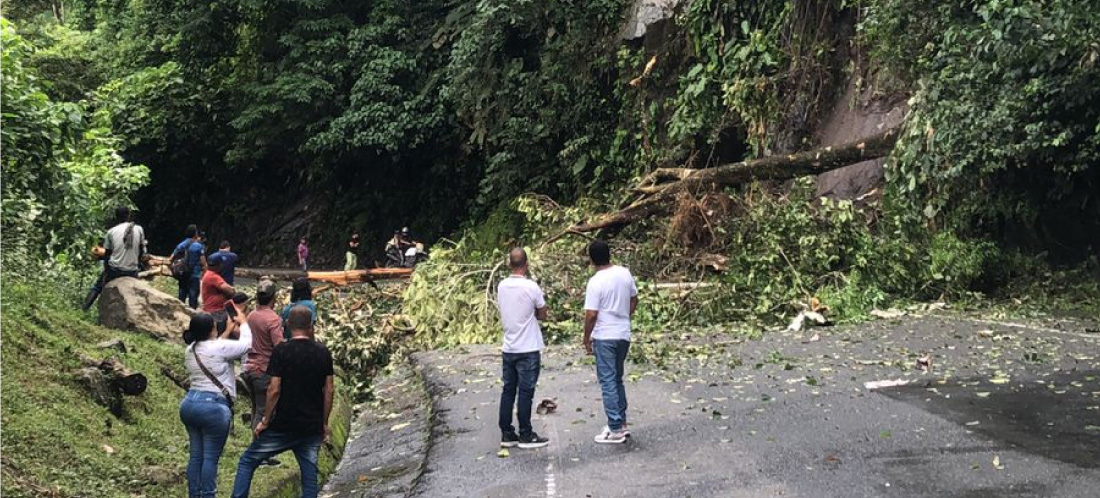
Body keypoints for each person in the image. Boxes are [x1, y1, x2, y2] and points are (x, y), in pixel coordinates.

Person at [230, 306, 335, 498]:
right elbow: (329, 389)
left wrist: (266, 420)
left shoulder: (281, 351)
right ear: (311, 325)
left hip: (284, 424)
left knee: (248, 461)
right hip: (311, 425)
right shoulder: (322, 352)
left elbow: (274, 389)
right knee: (309, 474)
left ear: (287, 325)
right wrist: (324, 423)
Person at [179, 306, 251, 498]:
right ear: (212, 329)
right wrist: (243, 323)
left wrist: (226, 330)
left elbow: (215, 347)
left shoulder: (190, 349)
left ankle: (194, 494)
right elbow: (246, 344)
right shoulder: (218, 347)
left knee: (196, 456)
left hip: (189, 404)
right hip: (212, 408)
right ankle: (208, 495)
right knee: (210, 458)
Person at [582, 240, 638, 444]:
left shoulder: (595, 282)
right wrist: (626, 315)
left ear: (591, 259)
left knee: (607, 381)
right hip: (623, 333)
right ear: (609, 254)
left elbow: (591, 314)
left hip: (605, 335)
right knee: (617, 379)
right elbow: (634, 298)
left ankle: (615, 428)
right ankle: (620, 423)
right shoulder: (624, 273)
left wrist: (586, 338)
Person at [496, 248, 550, 449]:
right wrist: (535, 313)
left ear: (510, 265)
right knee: (526, 392)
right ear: (526, 265)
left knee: (508, 390)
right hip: (527, 347)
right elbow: (543, 313)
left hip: (509, 347)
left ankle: (507, 433)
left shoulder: (502, 286)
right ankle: (526, 434)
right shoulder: (531, 287)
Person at [242, 279, 284, 466]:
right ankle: (259, 454)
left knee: (257, 410)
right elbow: (279, 347)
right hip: (265, 371)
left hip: (250, 368)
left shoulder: (251, 315)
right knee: (265, 412)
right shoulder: (273, 319)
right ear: (274, 297)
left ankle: (260, 452)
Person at [172, 226, 207, 309]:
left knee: (181, 296)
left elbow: (171, 258)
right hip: (194, 275)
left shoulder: (181, 244)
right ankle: (192, 316)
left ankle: (180, 312)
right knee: (193, 298)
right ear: (195, 234)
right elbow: (203, 262)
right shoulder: (198, 246)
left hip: (183, 273)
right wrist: (205, 272)